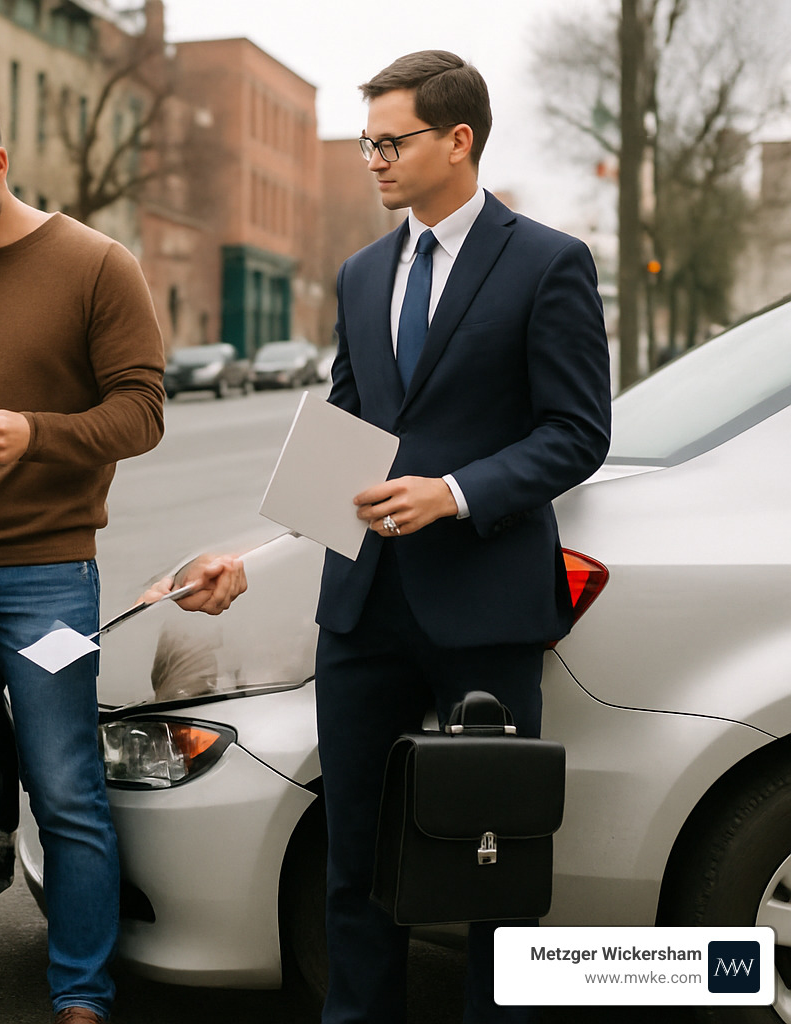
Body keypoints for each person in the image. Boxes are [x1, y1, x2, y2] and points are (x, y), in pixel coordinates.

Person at [0, 84, 243, 1024]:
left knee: (66, 787)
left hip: (48, 583)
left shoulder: (97, 265)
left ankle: (81, 994)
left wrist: (34, 433)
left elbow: (143, 412)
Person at [316, 51, 611, 1023]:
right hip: (360, 611)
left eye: (390, 141)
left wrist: (453, 492)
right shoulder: (361, 275)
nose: (374, 160)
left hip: (485, 607)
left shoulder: (548, 261)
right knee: (353, 859)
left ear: (458, 139)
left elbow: (577, 432)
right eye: (367, 143)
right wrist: (255, 549)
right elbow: (345, 426)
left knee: (494, 865)